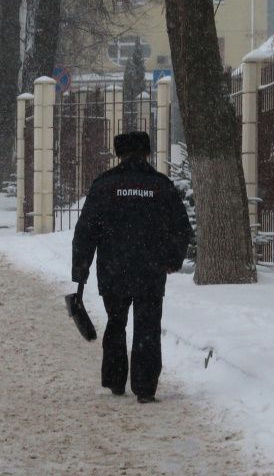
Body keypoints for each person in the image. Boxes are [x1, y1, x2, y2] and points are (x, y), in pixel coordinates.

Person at [71, 131, 193, 404]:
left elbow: (85, 232)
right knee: (147, 326)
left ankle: (116, 381)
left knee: (116, 323)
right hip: (150, 270)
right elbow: (181, 228)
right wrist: (172, 259)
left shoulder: (104, 185)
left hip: (113, 269)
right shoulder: (161, 185)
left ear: (119, 154)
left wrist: (80, 271)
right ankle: (145, 387)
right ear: (148, 153)